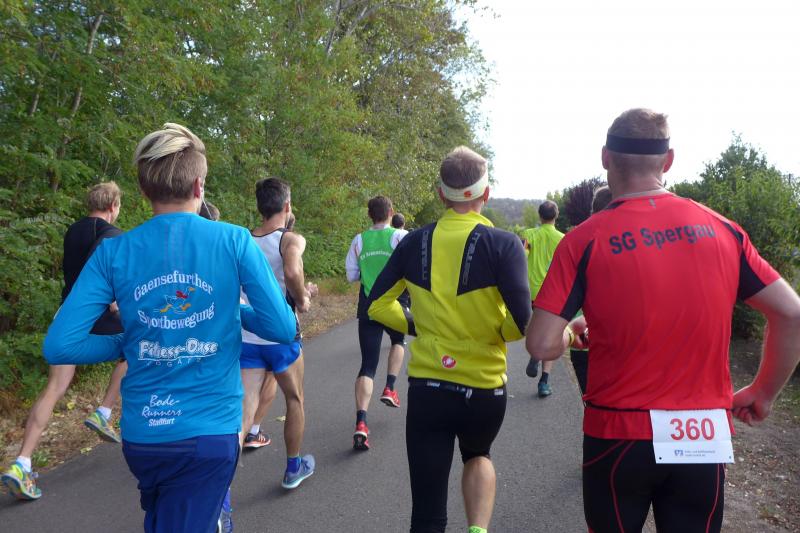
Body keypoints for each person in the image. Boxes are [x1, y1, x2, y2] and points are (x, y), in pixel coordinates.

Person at [526, 108, 800, 533]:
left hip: (617, 432)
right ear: (668, 161)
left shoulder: (583, 240)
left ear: (605, 158)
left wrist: (569, 330)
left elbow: (541, 345)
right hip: (702, 434)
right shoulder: (722, 230)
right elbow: (791, 313)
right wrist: (763, 392)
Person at [41, 123, 297, 533]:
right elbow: (282, 327)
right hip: (209, 434)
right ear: (199, 186)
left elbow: (60, 346)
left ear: (144, 191)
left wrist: (126, 343)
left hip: (143, 436)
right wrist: (232, 312)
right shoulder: (234, 240)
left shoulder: (113, 252)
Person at [368, 146, 531, 533]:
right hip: (484, 389)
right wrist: (496, 331)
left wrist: (419, 326)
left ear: (441, 195)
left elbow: (377, 305)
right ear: (486, 193)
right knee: (478, 455)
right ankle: (477, 529)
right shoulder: (504, 244)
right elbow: (523, 322)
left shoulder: (413, 242)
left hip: (429, 389)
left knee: (427, 512)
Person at [2, 182, 128, 501]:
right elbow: (108, 284)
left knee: (54, 388)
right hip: (100, 316)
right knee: (133, 346)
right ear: (113, 205)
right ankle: (104, 410)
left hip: (67, 317)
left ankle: (22, 462)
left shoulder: (73, 231)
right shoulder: (114, 236)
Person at [239, 177, 317, 490]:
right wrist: (303, 298)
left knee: (243, 411)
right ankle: (293, 468)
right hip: (282, 337)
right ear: (287, 205)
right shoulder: (290, 239)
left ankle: (220, 492)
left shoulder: (243, 239)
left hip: (247, 335)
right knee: (295, 399)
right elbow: (292, 271)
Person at [345, 196, 408, 450]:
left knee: (367, 365)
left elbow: (351, 275)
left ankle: (361, 423)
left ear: (369, 215)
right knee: (398, 341)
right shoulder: (400, 237)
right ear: (391, 212)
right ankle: (390, 388)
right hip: (395, 304)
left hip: (368, 305)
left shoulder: (359, 240)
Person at [568, 184, 612, 395]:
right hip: (622, 345)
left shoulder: (577, 241)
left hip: (582, 339)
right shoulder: (639, 244)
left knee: (590, 397)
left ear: (593, 211)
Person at [520, 200, 564, 397]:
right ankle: (544, 382)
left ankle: (535, 354)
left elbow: (522, 255)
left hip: (532, 292)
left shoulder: (529, 234)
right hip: (552, 293)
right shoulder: (563, 239)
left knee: (534, 328)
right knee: (551, 335)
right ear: (556, 216)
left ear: (539, 216)